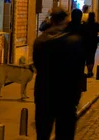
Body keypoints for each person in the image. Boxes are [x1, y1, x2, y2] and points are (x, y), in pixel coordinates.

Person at [33, 8, 85, 140]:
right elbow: (78, 71)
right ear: (64, 21)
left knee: (43, 134)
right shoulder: (74, 41)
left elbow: (37, 65)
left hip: (44, 93)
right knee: (64, 134)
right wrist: (76, 95)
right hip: (66, 96)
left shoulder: (39, 41)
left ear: (52, 20)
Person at [83, 12, 99, 77]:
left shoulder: (85, 25)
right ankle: (90, 71)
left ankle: (88, 70)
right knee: (92, 56)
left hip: (86, 42)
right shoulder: (96, 24)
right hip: (93, 42)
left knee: (87, 56)